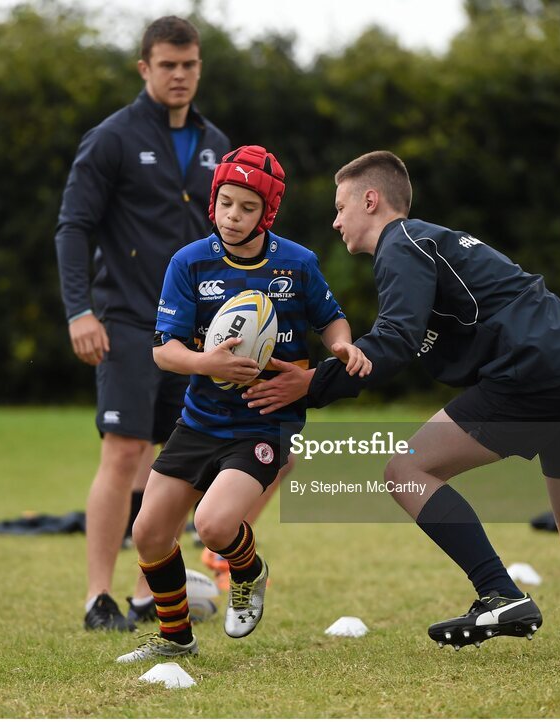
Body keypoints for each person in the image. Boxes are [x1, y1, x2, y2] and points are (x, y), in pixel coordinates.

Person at [243, 150, 560, 649]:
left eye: (340, 208)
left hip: (532, 374)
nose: (336, 223)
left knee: (406, 471)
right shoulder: (431, 242)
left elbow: (395, 341)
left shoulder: (401, 243)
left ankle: (500, 593)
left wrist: (312, 384)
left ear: (371, 200)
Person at [116, 145, 370, 662]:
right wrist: (206, 363)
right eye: (225, 203)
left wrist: (341, 346)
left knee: (213, 525)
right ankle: (175, 638)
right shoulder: (189, 263)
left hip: (264, 423)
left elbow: (331, 320)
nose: (232, 216)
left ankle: (248, 571)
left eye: (246, 207)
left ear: (267, 212)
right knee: (148, 532)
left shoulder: (298, 264)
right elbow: (165, 351)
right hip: (200, 421)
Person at [54, 16, 232, 632]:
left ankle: (141, 593)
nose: (179, 75)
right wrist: (80, 310)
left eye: (188, 65)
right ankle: (97, 597)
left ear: (199, 67)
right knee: (124, 451)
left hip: (196, 333)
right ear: (145, 68)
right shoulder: (111, 139)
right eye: (167, 65)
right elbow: (73, 226)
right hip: (126, 320)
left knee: (177, 461)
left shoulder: (217, 144)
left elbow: (231, 236)